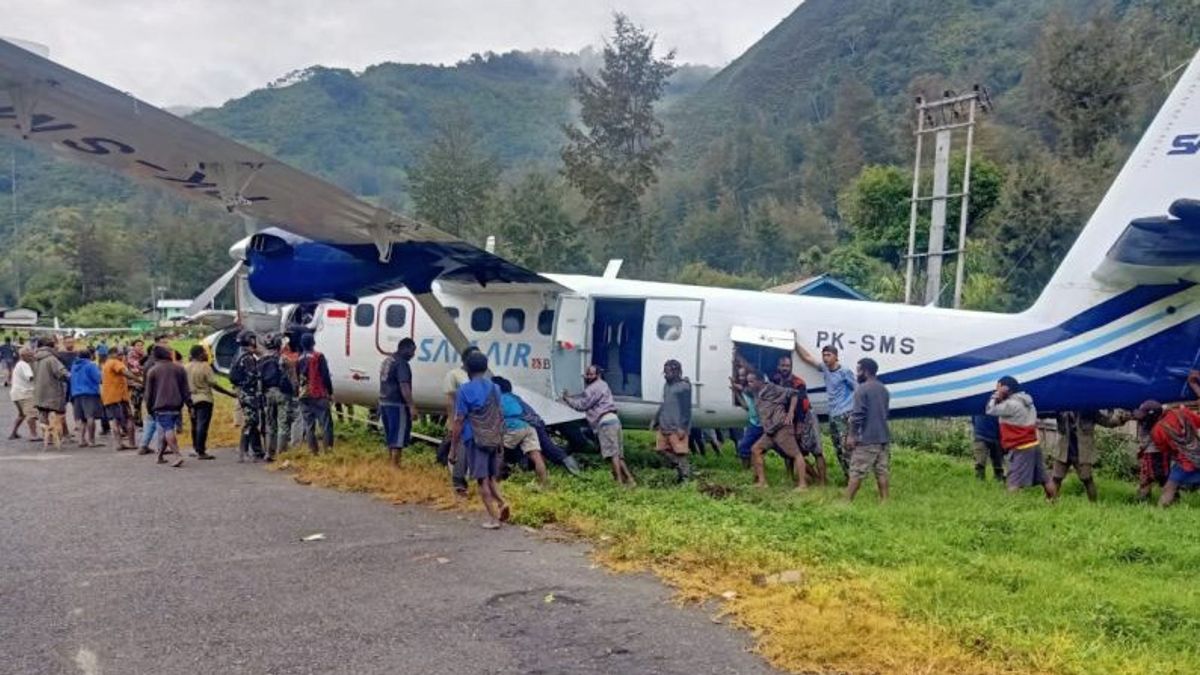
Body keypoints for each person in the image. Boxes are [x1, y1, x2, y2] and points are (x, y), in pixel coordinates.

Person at [450, 351, 510, 529]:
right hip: (493, 437)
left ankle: (493, 519)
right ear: (485, 368)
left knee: (482, 480)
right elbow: (499, 414)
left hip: (474, 438)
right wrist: (500, 440)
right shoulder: (495, 388)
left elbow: (459, 420)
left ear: (467, 369)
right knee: (491, 477)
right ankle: (501, 503)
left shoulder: (464, 390)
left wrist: (453, 448)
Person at [562, 365, 636, 485]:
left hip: (605, 422)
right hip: (614, 420)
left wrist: (567, 399)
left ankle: (619, 481)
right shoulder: (604, 385)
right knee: (617, 454)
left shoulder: (592, 389)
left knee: (612, 454)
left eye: (591, 374)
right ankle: (630, 480)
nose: (588, 376)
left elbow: (582, 405)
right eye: (587, 374)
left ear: (598, 375)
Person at [985, 376, 1057, 499]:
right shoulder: (1028, 402)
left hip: (1021, 447)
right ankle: (1055, 503)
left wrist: (995, 396)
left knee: (1013, 481)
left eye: (998, 387)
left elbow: (990, 410)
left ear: (1006, 388)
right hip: (1033, 444)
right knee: (1045, 478)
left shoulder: (1011, 405)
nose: (996, 390)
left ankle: (1011, 511)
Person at [797, 344, 857, 483]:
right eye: (824, 355)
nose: (825, 358)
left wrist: (853, 413)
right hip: (833, 415)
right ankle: (847, 476)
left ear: (836, 356)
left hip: (845, 414)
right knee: (837, 448)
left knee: (846, 448)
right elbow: (808, 358)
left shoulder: (845, 371)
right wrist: (795, 343)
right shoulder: (825, 368)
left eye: (828, 355)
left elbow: (857, 390)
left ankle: (853, 480)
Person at [745, 371, 806, 490]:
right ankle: (762, 482)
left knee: (795, 454)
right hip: (770, 430)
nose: (749, 384)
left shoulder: (772, 388)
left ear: (760, 381)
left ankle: (803, 485)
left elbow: (794, 393)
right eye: (748, 382)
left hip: (781, 427)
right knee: (756, 449)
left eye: (751, 381)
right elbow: (744, 389)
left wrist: (790, 412)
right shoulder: (756, 393)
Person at [1136, 400, 1200, 508]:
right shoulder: (1181, 412)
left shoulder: (1157, 431)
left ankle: (1157, 516)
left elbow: (1166, 450)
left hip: (1187, 462)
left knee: (1169, 488)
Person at [772, 355, 825, 485]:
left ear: (791, 367)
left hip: (806, 417)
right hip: (789, 419)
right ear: (778, 367)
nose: (785, 368)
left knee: (816, 450)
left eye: (787, 366)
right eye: (782, 366)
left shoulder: (798, 383)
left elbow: (802, 405)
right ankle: (792, 478)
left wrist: (800, 425)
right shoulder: (776, 381)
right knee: (789, 449)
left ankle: (823, 482)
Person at [1051, 411, 1123, 502]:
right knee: (1056, 478)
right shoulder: (1061, 408)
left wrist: (1122, 417)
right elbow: (1045, 413)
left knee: (1087, 479)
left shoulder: (1089, 410)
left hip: (1083, 453)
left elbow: (1108, 422)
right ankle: (1051, 504)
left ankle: (1093, 506)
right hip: (1063, 450)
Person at [846, 358, 891, 502]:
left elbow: (858, 415)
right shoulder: (883, 389)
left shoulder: (862, 389)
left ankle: (846, 502)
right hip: (883, 438)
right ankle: (884, 500)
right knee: (881, 471)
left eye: (858, 370)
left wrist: (852, 435)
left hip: (867, 438)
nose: (857, 373)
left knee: (856, 471)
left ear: (865, 371)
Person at [494, 376, 549, 487]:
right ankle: (545, 483)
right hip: (528, 426)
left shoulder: (497, 399)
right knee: (536, 455)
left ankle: (495, 482)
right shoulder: (515, 397)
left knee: (499, 453)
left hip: (513, 427)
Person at [143, 345, 191, 467]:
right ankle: (160, 456)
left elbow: (149, 393)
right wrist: (190, 405)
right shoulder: (179, 368)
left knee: (168, 430)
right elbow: (185, 390)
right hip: (177, 405)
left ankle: (177, 455)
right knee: (165, 429)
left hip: (161, 405)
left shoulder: (153, 371)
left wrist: (149, 408)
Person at [442, 346, 480, 495]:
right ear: (466, 359)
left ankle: (468, 480)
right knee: (456, 448)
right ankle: (457, 481)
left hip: (474, 421)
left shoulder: (477, 376)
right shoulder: (454, 374)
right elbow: (450, 400)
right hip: (460, 418)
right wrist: (452, 421)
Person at [185, 345, 234, 460]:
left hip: (191, 399)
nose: (207, 354)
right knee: (202, 425)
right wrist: (229, 393)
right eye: (205, 352)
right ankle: (201, 451)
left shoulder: (186, 367)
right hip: (204, 398)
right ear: (200, 354)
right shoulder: (205, 366)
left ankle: (195, 448)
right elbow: (213, 384)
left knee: (194, 424)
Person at [652, 359, 693, 482]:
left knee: (680, 453)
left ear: (676, 372)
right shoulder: (666, 386)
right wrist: (655, 419)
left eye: (668, 372)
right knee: (660, 449)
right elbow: (664, 403)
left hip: (677, 426)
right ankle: (681, 468)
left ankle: (685, 477)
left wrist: (682, 427)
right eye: (664, 372)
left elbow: (687, 409)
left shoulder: (684, 387)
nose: (665, 375)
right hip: (664, 423)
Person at [378, 338, 417, 466]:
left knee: (391, 436)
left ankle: (391, 464)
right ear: (404, 348)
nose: (413, 354)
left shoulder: (388, 360)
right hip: (397, 404)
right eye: (412, 350)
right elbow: (404, 385)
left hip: (384, 402)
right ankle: (395, 467)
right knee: (398, 439)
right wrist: (411, 406)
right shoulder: (402, 364)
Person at [229, 330, 266, 462]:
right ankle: (243, 451)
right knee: (251, 422)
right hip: (249, 393)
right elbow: (253, 376)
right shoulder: (248, 358)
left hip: (243, 393)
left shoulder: (239, 354)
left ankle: (257, 450)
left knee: (253, 421)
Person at [296, 332, 333, 455]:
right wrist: (330, 392)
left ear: (302, 344)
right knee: (326, 424)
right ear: (313, 343)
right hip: (318, 394)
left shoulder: (299, 359)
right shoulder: (318, 356)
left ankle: (313, 451)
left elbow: (297, 377)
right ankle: (328, 450)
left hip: (304, 395)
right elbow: (325, 376)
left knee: (309, 424)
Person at [259, 333, 291, 460]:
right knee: (282, 423)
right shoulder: (281, 359)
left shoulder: (261, 360)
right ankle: (281, 453)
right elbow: (289, 374)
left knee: (270, 424)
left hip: (267, 393)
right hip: (281, 393)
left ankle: (268, 453)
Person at [33, 336, 69, 448]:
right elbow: (62, 373)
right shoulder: (52, 359)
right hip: (53, 393)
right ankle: (59, 437)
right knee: (59, 416)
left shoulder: (35, 359)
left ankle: (47, 438)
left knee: (43, 416)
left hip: (39, 393)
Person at [100, 347, 138, 451]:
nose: (122, 356)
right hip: (119, 397)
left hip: (108, 397)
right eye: (120, 354)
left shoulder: (106, 364)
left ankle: (119, 444)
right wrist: (139, 380)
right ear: (113, 354)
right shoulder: (115, 362)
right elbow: (126, 373)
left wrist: (130, 383)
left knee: (114, 420)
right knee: (129, 418)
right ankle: (132, 443)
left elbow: (117, 378)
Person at [68, 348, 103, 448]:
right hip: (90, 393)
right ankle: (92, 441)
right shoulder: (91, 365)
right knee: (90, 417)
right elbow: (99, 378)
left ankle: (81, 440)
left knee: (81, 418)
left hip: (76, 394)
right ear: (90, 356)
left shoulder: (74, 366)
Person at [730, 367, 762, 469]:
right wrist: (736, 392)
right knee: (746, 447)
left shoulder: (756, 390)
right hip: (754, 422)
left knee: (745, 446)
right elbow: (746, 406)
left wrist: (738, 388)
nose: (742, 378)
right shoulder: (747, 390)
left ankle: (747, 468)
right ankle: (749, 469)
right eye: (740, 376)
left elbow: (750, 393)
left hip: (761, 423)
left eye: (743, 375)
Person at [8, 346, 38, 440]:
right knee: (31, 414)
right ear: (23, 356)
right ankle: (33, 435)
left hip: (16, 393)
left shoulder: (19, 364)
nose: (31, 357)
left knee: (22, 414)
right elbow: (30, 377)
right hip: (25, 393)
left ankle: (14, 433)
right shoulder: (24, 365)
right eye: (29, 356)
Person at [971, 414, 1005, 482]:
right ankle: (980, 481)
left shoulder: (999, 406)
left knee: (997, 462)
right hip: (981, 435)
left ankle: (999, 479)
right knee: (980, 462)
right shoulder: (977, 406)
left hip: (995, 436)